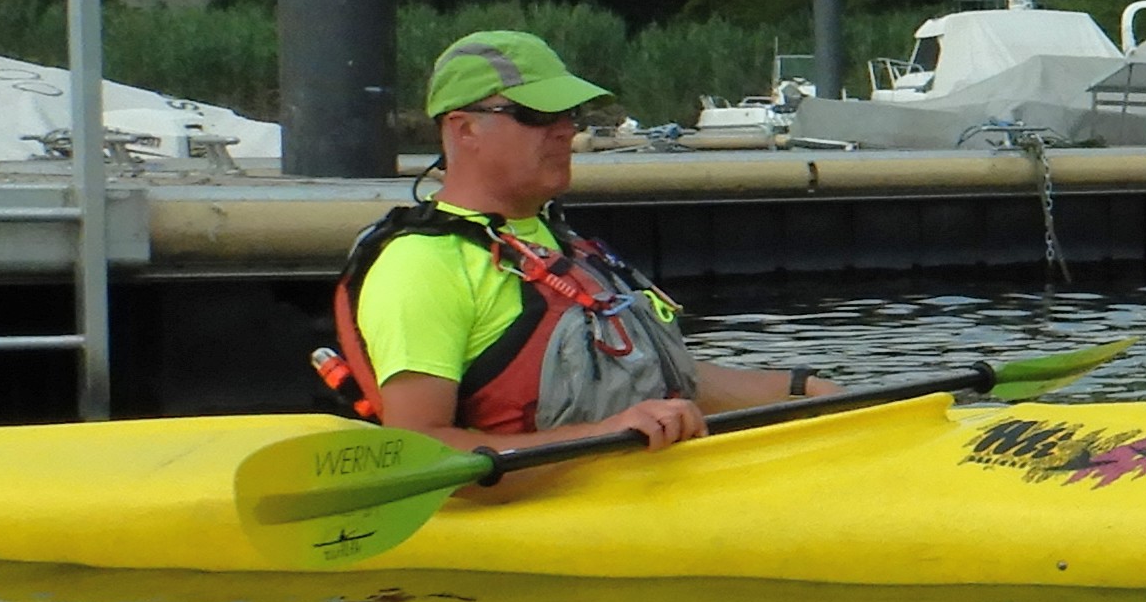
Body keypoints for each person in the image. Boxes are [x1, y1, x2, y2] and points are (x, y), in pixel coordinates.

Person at [319, 29, 831, 451]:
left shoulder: (549, 237)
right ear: (463, 129)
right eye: (538, 116)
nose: (564, 131)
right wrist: (608, 434)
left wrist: (801, 391)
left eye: (569, 116)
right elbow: (417, 449)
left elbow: (647, 375)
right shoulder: (421, 266)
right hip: (540, 512)